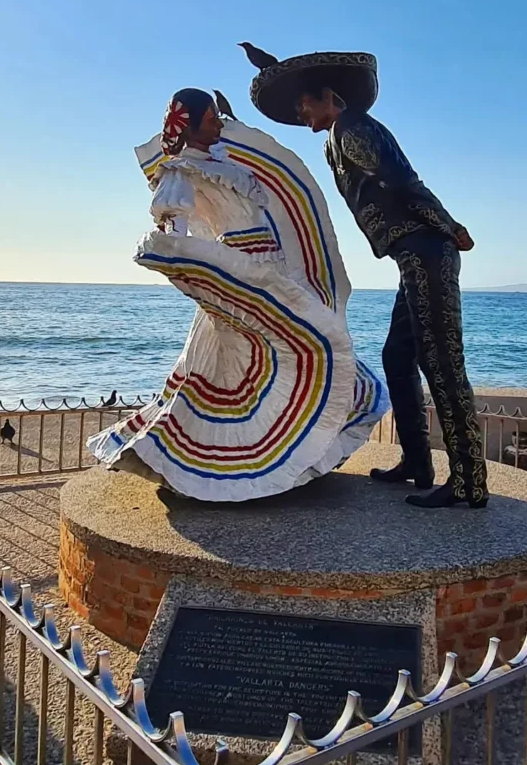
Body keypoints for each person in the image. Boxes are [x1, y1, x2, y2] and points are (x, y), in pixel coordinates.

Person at [86, 88, 388, 501]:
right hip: (240, 280)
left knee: (305, 354)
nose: (216, 124)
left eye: (216, 117)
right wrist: (181, 256)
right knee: (257, 365)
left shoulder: (224, 161)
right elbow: (173, 228)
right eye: (209, 118)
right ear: (189, 125)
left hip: (273, 275)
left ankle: (300, 457)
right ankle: (229, 468)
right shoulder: (181, 172)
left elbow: (257, 171)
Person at [243, 49, 488, 509]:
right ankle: (418, 462)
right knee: (397, 357)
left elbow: (402, 182)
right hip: (410, 255)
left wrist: (451, 227)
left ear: (327, 97)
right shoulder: (336, 135)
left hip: (427, 249)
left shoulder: (352, 128)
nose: (301, 115)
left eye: (304, 105)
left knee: (442, 363)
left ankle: (469, 481)